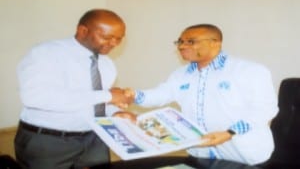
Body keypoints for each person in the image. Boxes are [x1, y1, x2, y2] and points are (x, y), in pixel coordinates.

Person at [127, 24, 278, 165]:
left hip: (244, 156)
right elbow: (160, 95)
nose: (182, 46)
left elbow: (264, 110)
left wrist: (229, 133)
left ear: (215, 43)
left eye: (191, 42)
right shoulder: (180, 75)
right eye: (180, 42)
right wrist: (131, 95)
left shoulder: (249, 71)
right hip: (200, 154)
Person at [14, 9, 133, 169]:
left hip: (94, 140)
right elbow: (35, 97)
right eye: (107, 37)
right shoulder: (46, 53)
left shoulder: (107, 64)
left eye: (119, 39)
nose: (113, 44)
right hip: (49, 141)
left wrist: (115, 112)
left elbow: (96, 102)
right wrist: (107, 96)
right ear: (82, 30)